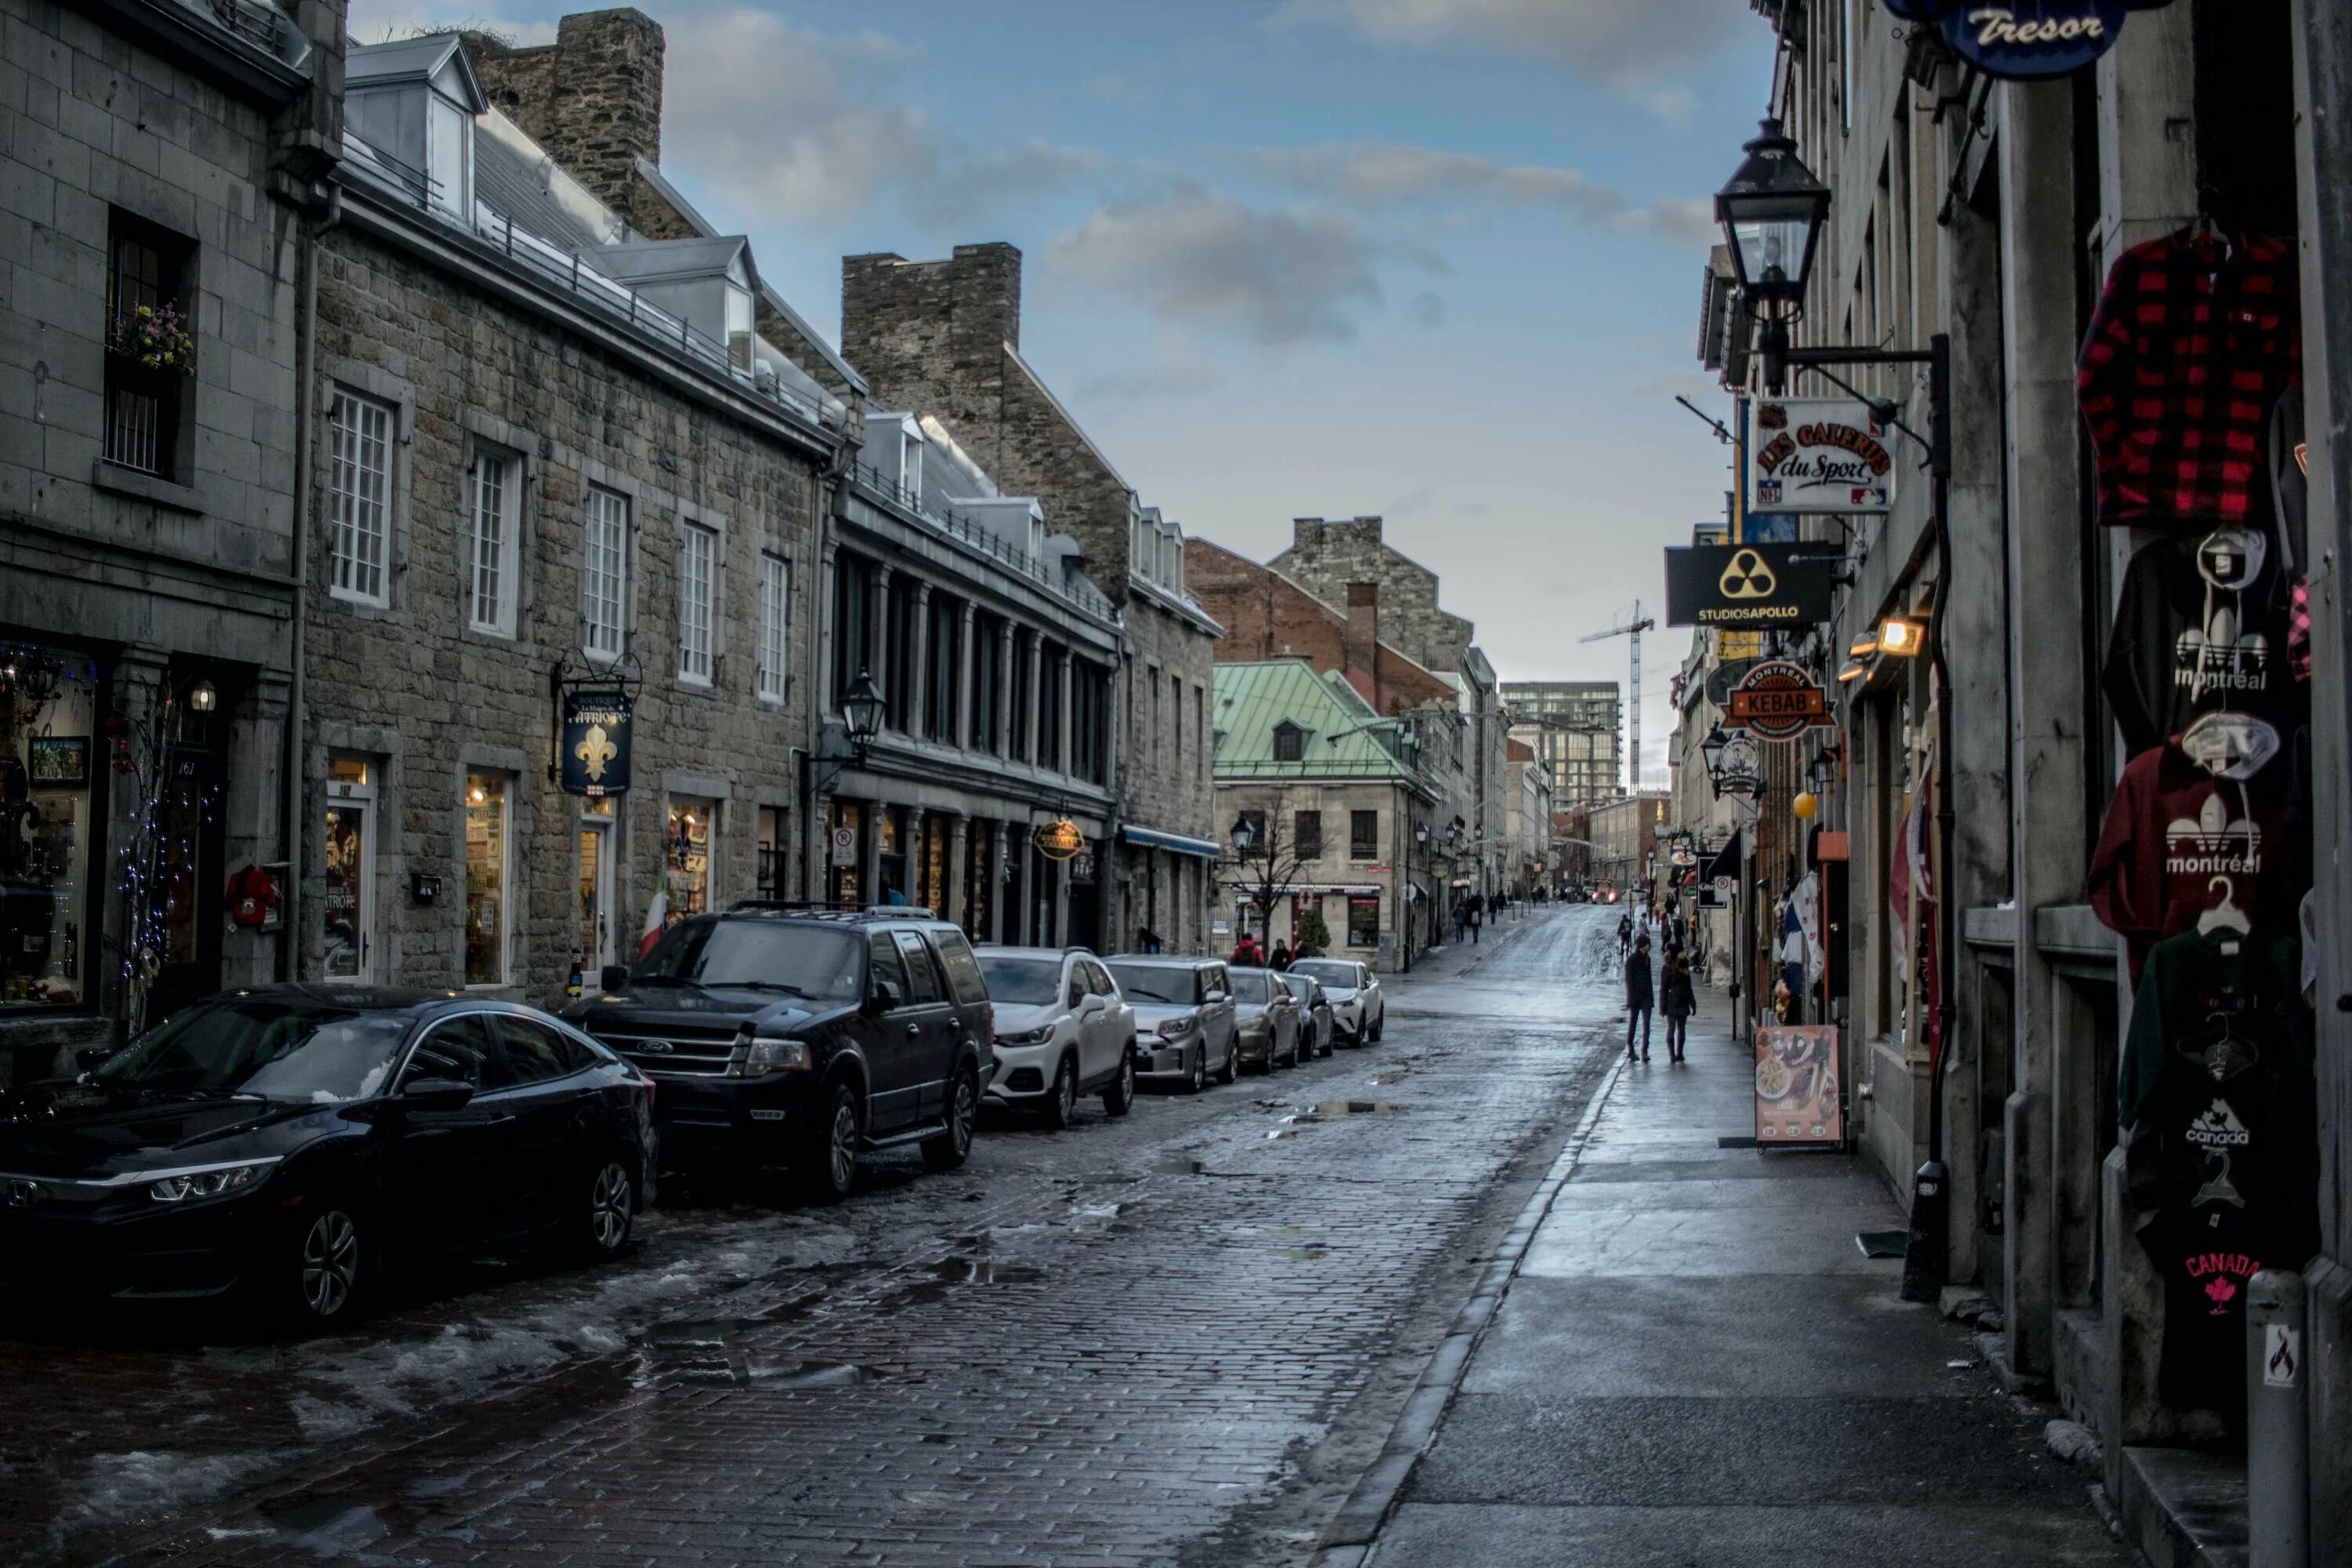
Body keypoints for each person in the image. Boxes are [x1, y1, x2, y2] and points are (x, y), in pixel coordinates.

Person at [1660, 946, 1696, 1064]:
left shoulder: (1678, 967)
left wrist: (1693, 1004)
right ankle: (1674, 1053)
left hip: (1677, 1001)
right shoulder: (1671, 968)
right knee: (1675, 1028)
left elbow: (1688, 988)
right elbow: (1664, 988)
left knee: (1678, 1029)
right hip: (1676, 1002)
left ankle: (1677, 1053)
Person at [1624, 934, 1655, 1062]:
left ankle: (1644, 1052)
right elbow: (1629, 981)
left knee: (1646, 1025)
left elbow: (1649, 980)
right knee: (1633, 1024)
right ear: (1643, 945)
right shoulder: (1631, 960)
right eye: (1648, 944)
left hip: (1646, 996)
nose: (1650, 946)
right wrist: (1631, 999)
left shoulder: (1647, 959)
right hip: (1636, 997)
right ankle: (1631, 1050)